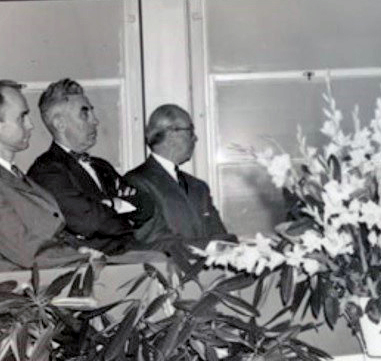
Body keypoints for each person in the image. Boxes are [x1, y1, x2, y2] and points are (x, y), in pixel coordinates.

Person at [28, 78, 142, 254]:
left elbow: (146, 206)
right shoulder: (47, 170)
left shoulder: (102, 166)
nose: (95, 121)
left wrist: (109, 206)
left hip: (129, 253)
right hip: (95, 265)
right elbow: (89, 221)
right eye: (85, 113)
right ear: (60, 124)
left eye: (92, 112)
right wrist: (121, 207)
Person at [0, 80, 84, 268]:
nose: (31, 125)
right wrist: (82, 258)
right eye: (22, 117)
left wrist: (80, 250)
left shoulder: (15, 176)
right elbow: (26, 251)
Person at [125, 104, 233, 250]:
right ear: (171, 134)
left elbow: (221, 236)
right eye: (190, 131)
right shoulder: (135, 183)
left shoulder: (199, 187)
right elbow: (153, 240)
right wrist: (211, 247)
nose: (195, 138)